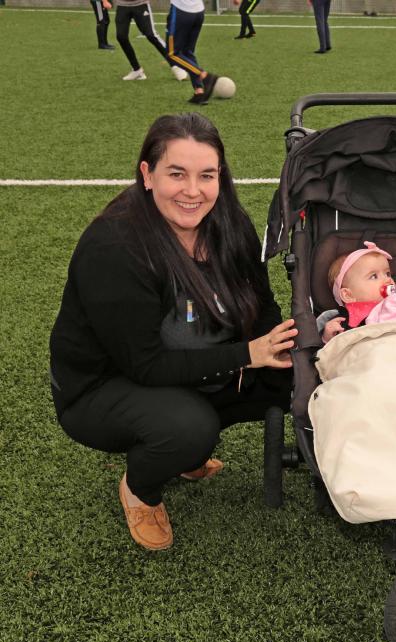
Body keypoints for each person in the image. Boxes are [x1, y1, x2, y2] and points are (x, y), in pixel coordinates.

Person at [49, 113, 297, 552]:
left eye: (207, 175)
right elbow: (145, 364)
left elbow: (261, 305)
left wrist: (279, 347)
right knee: (187, 429)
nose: (193, 191)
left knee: (299, 378)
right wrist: (248, 354)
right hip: (104, 387)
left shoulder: (229, 222)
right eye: (176, 174)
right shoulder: (115, 247)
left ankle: (184, 450)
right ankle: (141, 489)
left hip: (196, 362)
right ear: (147, 174)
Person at [114, 0, 188, 81]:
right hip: (122, 5)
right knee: (121, 37)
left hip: (141, 4)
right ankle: (137, 70)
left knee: (151, 35)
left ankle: (176, 64)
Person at [166, 0, 218, 105]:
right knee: (187, 51)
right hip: (199, 11)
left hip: (182, 11)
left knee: (172, 54)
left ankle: (204, 75)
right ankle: (199, 92)